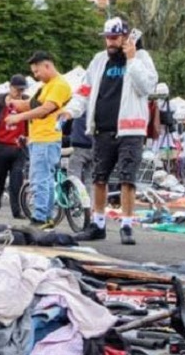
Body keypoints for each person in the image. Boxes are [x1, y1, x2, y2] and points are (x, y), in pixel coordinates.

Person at [59, 17, 158, 245]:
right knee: (99, 177)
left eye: (114, 38)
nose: (110, 43)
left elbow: (146, 87)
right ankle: (98, 223)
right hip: (102, 128)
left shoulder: (141, 59)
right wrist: (70, 111)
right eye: (107, 38)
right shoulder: (99, 60)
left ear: (125, 37)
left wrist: (132, 59)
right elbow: (84, 91)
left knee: (127, 178)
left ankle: (126, 224)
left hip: (130, 129)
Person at [6, 51, 71, 230]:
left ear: (47, 66)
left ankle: (40, 218)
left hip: (47, 138)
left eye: (37, 71)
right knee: (43, 179)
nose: (36, 76)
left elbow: (44, 109)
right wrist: (13, 103)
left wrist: (18, 118)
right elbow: (31, 105)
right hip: (39, 139)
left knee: (40, 179)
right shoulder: (46, 86)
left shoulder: (59, 85)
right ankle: (45, 217)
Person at [0, 75, 28, 219]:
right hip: (1, 146)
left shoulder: (27, 101)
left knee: (17, 181)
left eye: (22, 90)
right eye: (17, 89)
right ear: (10, 87)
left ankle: (17, 210)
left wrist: (27, 139)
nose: (19, 92)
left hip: (19, 147)